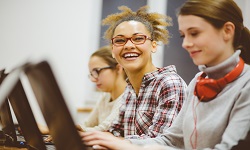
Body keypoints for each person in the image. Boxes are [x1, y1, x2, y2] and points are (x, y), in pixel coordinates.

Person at [80, 0, 250, 149]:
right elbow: (170, 140)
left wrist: (128, 145)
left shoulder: (246, 85)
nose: (185, 44)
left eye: (195, 33)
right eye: (183, 35)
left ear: (227, 31)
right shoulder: (198, 81)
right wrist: (110, 141)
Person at [80, 4, 187, 140]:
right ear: (113, 50)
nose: (129, 45)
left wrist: (103, 139)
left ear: (153, 46)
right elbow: (116, 133)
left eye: (138, 39)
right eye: (120, 40)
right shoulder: (129, 90)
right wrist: (84, 136)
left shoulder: (169, 84)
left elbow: (159, 143)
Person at [80, 45, 127, 132]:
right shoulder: (105, 97)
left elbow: (103, 130)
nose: (93, 79)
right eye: (91, 74)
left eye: (97, 71)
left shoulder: (128, 98)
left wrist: (75, 132)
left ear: (118, 68)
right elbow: (86, 125)